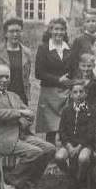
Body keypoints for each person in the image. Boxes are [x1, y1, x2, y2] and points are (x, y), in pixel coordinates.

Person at [0, 64, 55, 189]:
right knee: (34, 152)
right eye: (0, 77)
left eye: (7, 77)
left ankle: (24, 181)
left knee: (49, 148)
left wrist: (23, 119)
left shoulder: (13, 95)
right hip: (0, 138)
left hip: (20, 135)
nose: (4, 80)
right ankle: (16, 180)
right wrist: (19, 113)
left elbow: (29, 114)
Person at [35, 17, 73, 145]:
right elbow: (38, 73)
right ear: (50, 30)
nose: (59, 32)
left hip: (66, 93)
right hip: (49, 93)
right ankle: (50, 158)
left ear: (65, 31)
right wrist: (58, 79)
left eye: (62, 29)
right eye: (56, 29)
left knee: (66, 128)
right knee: (51, 130)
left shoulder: (69, 48)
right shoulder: (43, 48)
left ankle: (63, 158)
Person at [55, 81, 96, 189]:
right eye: (75, 92)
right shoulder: (66, 110)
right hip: (69, 144)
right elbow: (62, 130)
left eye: (81, 92)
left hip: (85, 144)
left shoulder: (92, 111)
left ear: (86, 93)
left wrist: (79, 147)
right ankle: (70, 176)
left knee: (83, 158)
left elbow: (91, 133)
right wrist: (68, 146)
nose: (78, 94)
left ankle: (80, 178)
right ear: (71, 94)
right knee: (59, 157)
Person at [0, 17, 32, 105]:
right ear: (6, 34)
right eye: (11, 31)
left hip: (22, 99)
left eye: (18, 31)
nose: (15, 34)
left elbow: (27, 77)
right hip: (2, 99)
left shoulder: (27, 52)